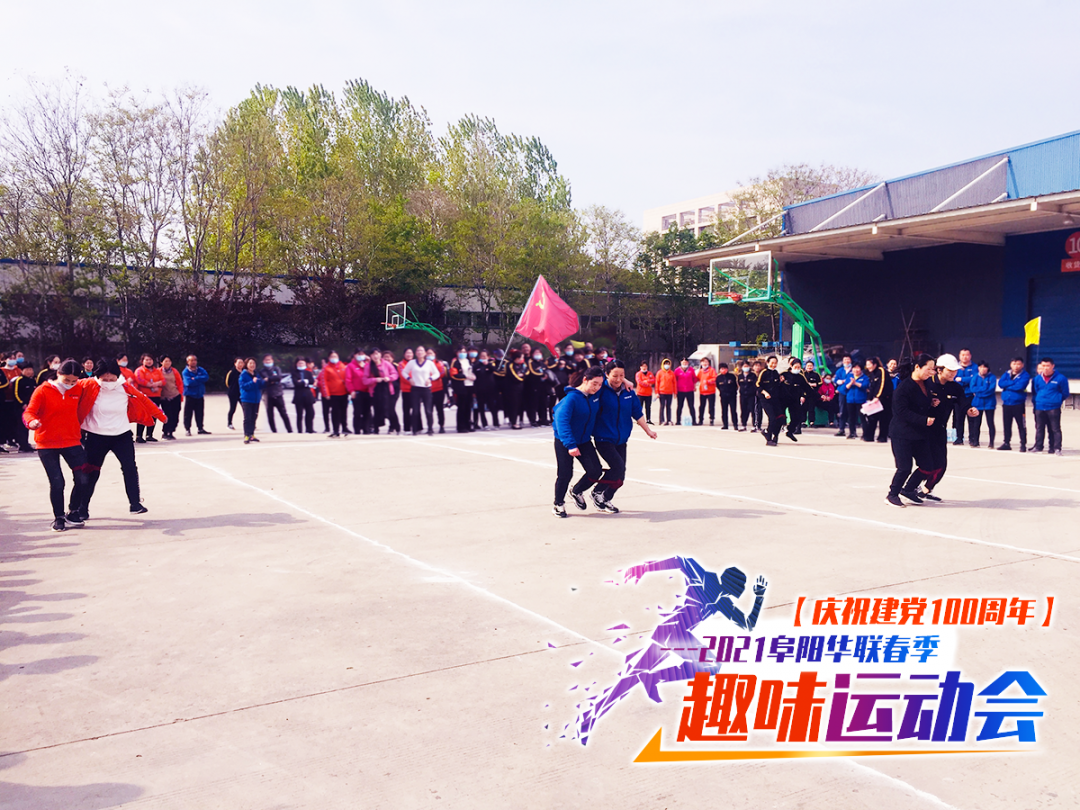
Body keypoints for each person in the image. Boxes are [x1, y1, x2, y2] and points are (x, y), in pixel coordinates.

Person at [576, 557, 766, 745]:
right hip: (675, 634)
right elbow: (681, 560)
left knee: (630, 680)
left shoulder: (721, 599)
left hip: (668, 633)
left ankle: (588, 719)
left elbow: (747, 624)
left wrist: (759, 597)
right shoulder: (706, 580)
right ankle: (654, 678)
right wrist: (645, 568)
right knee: (711, 665)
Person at [77, 358, 164, 518]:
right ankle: (82, 508)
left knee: (130, 468)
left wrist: (160, 416)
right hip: (96, 436)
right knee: (91, 472)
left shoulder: (124, 387)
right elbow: (67, 389)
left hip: (121, 435)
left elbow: (144, 399)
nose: (108, 383)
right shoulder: (87, 385)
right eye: (104, 379)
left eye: (112, 379)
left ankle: (135, 503)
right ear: (97, 376)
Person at [22, 360, 91, 531]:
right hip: (47, 443)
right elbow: (29, 412)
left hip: (71, 440)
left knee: (84, 477)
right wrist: (32, 422)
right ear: (58, 374)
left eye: (74, 381)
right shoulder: (43, 390)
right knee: (58, 482)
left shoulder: (78, 389)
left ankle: (73, 511)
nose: (70, 384)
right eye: (66, 380)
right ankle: (59, 517)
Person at [591, 360, 658, 513]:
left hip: (621, 439)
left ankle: (605, 498)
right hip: (604, 437)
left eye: (622, 375)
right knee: (618, 467)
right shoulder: (600, 389)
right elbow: (590, 375)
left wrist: (648, 430)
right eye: (615, 375)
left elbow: (637, 412)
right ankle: (597, 492)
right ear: (606, 374)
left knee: (620, 475)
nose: (619, 379)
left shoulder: (628, 391)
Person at [915, 354, 972, 502]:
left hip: (940, 429)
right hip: (924, 429)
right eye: (950, 370)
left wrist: (969, 409)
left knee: (941, 465)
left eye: (955, 370)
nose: (954, 373)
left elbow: (962, 401)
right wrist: (929, 403)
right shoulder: (927, 383)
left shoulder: (955, 387)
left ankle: (925, 490)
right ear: (939, 370)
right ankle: (911, 488)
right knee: (928, 464)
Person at [551, 366, 605, 518]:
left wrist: (626, 381)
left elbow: (611, 381)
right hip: (565, 441)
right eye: (594, 384)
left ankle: (576, 491)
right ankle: (558, 504)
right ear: (585, 380)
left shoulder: (594, 395)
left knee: (595, 471)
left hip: (584, 440)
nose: (597, 387)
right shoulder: (571, 399)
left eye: (600, 384)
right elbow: (561, 423)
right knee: (565, 474)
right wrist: (571, 445)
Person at [886, 354, 937, 508]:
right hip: (902, 433)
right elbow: (901, 411)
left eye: (933, 369)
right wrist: (923, 420)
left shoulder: (925, 383)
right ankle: (892, 495)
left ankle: (908, 490)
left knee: (927, 465)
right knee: (904, 468)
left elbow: (921, 402)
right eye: (929, 369)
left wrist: (932, 402)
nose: (932, 372)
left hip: (919, 433)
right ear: (917, 367)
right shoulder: (904, 387)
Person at [1030, 358, 1069, 455]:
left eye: (1047, 366)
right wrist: (1038, 401)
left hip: (1053, 407)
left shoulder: (1061, 378)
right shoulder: (1037, 379)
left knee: (1055, 428)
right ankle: (1038, 446)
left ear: (1052, 366)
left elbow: (1065, 393)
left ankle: (1056, 448)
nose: (1045, 368)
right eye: (1043, 366)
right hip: (1040, 406)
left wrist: (1057, 400)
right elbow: (1035, 391)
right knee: (1039, 428)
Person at [402, 345, 440, 435]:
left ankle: (430, 429)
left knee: (428, 411)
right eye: (418, 351)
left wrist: (430, 378)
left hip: (426, 389)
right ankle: (415, 430)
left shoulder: (429, 363)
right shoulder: (412, 363)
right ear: (416, 353)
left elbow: (437, 373)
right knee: (415, 410)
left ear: (425, 353)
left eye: (421, 351)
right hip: (415, 389)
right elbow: (404, 372)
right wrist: (409, 378)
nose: (420, 352)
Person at [363, 349, 399, 434]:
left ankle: (396, 427)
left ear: (380, 354)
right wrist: (375, 379)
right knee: (377, 410)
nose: (375, 356)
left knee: (390, 410)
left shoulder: (386, 364)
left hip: (387, 390)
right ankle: (376, 429)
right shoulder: (368, 366)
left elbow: (395, 374)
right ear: (370, 356)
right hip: (376, 391)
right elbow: (365, 380)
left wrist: (389, 378)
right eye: (373, 354)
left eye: (377, 354)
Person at [997, 357, 1030, 452]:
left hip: (1018, 404)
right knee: (1006, 424)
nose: (1016, 366)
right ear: (1011, 365)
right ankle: (1006, 443)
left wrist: (1007, 386)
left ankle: (1023, 444)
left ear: (1022, 365)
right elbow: (1000, 384)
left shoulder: (1025, 375)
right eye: (1014, 364)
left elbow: (1020, 386)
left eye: (1018, 364)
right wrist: (1012, 383)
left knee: (1021, 424)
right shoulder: (1006, 374)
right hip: (1007, 403)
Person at [133, 353, 164, 443]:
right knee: (143, 415)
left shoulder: (157, 371)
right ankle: (139, 435)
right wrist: (151, 385)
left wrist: (157, 384)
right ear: (142, 361)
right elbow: (139, 380)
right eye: (146, 360)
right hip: (144, 396)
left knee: (154, 415)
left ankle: (149, 435)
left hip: (156, 396)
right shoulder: (139, 370)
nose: (149, 361)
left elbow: (163, 380)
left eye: (150, 360)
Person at [756, 356, 785, 446]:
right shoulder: (764, 372)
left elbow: (777, 386)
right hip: (765, 399)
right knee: (772, 418)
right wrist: (765, 393)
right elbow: (758, 385)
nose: (773, 365)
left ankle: (774, 435)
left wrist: (781, 381)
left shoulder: (776, 373)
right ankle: (768, 439)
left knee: (781, 418)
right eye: (772, 363)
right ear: (767, 363)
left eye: (775, 363)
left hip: (775, 399)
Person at [862, 356, 892, 443]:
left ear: (875, 364)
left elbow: (881, 385)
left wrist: (877, 397)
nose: (868, 367)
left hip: (884, 399)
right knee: (871, 418)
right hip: (874, 400)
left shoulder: (881, 371)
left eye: (869, 364)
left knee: (884, 419)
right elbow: (872, 387)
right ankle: (869, 436)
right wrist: (869, 398)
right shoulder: (872, 374)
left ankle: (882, 437)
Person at [968, 362, 997, 448]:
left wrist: (979, 392)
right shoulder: (975, 377)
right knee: (976, 423)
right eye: (981, 367)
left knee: (990, 423)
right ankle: (975, 441)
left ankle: (991, 442)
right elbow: (972, 388)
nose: (983, 369)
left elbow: (991, 389)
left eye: (985, 367)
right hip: (977, 403)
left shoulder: (992, 377)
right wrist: (983, 389)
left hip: (989, 403)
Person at [780, 358, 810, 439]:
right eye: (795, 367)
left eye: (799, 367)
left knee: (798, 417)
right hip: (783, 399)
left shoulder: (801, 376)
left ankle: (790, 430)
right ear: (791, 366)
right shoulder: (784, 374)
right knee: (779, 417)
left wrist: (818, 396)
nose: (797, 369)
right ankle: (773, 435)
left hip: (794, 399)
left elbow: (806, 388)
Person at [321, 351, 349, 438]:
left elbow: (347, 378)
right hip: (333, 394)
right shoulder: (326, 368)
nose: (334, 358)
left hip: (344, 393)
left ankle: (345, 428)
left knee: (344, 412)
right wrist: (326, 393)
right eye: (332, 356)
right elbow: (324, 382)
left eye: (335, 356)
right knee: (335, 412)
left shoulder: (343, 366)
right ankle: (336, 430)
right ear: (329, 358)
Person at [181, 355, 211, 436]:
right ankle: (187, 429)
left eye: (195, 360)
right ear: (188, 362)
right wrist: (199, 380)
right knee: (188, 414)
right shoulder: (185, 372)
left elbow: (206, 377)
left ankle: (200, 428)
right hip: (190, 395)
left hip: (199, 395)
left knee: (200, 413)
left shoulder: (200, 369)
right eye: (191, 360)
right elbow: (188, 383)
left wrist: (195, 378)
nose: (193, 362)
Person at [449, 347, 476, 433]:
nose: (463, 353)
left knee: (469, 406)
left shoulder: (468, 361)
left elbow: (472, 371)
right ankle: (461, 426)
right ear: (457, 352)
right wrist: (465, 376)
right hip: (461, 386)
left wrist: (473, 376)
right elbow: (453, 375)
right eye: (461, 351)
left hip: (470, 385)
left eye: (464, 351)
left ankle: (468, 425)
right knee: (462, 407)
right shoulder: (455, 362)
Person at [953, 348, 977, 446]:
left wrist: (962, 379)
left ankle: (972, 438)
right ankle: (959, 438)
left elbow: (974, 379)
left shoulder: (975, 367)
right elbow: (953, 379)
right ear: (959, 356)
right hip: (958, 396)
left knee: (971, 418)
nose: (964, 357)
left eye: (967, 355)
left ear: (970, 356)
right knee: (959, 418)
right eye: (962, 355)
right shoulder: (955, 367)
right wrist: (964, 380)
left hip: (970, 396)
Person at [12, 362, 38, 452]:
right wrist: (22, 404)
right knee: (21, 427)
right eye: (27, 370)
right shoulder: (19, 380)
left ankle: (26, 444)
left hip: (30, 407)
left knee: (27, 426)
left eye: (30, 369)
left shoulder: (33, 381)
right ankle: (22, 445)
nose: (29, 371)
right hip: (21, 407)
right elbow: (16, 394)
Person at [239, 358, 265, 444]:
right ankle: (246, 435)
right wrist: (252, 382)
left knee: (254, 417)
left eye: (253, 363)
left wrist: (265, 382)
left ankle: (252, 435)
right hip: (247, 399)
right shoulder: (243, 375)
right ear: (246, 365)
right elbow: (243, 386)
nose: (252, 365)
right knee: (247, 418)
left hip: (256, 400)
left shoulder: (257, 374)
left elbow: (260, 386)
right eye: (250, 363)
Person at [842, 362, 870, 439]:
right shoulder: (849, 377)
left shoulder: (865, 377)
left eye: (858, 368)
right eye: (854, 368)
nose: (856, 370)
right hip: (850, 400)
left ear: (861, 369)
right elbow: (845, 387)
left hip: (861, 400)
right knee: (851, 418)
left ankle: (865, 434)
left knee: (862, 418)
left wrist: (855, 383)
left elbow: (865, 386)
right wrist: (851, 383)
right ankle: (852, 433)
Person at [345, 348, 370, 435]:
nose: (361, 356)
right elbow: (348, 380)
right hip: (357, 392)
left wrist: (369, 361)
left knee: (367, 412)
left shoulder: (367, 365)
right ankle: (357, 430)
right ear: (354, 355)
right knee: (357, 412)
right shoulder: (351, 366)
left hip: (368, 392)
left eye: (362, 354)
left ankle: (366, 430)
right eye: (359, 354)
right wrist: (351, 391)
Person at [159, 355, 184, 440]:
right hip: (164, 397)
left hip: (175, 395)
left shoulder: (174, 371)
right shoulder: (158, 371)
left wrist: (180, 394)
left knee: (175, 415)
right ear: (161, 362)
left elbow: (179, 383)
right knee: (168, 415)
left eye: (169, 361)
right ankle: (165, 432)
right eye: (166, 361)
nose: (168, 363)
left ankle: (171, 431)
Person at [472, 349, 499, 429]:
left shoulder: (491, 365)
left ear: (488, 357)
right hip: (480, 390)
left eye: (484, 356)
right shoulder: (476, 366)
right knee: (481, 408)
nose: (482, 357)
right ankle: (485, 424)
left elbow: (496, 371)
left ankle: (496, 423)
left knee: (492, 407)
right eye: (481, 356)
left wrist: (488, 365)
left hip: (490, 390)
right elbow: (474, 378)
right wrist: (474, 390)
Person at [292, 357, 318, 433]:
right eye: (299, 363)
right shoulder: (294, 373)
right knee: (299, 414)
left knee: (310, 413)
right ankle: (300, 430)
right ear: (296, 364)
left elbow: (311, 381)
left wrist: (302, 381)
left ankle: (309, 429)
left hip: (308, 394)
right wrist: (305, 382)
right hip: (299, 395)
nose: (301, 364)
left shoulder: (308, 372)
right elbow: (296, 383)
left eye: (302, 363)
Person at [502, 350, 527, 429]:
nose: (522, 359)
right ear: (517, 358)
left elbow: (526, 372)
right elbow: (514, 376)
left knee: (519, 405)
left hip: (520, 388)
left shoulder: (522, 364)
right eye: (521, 357)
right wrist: (522, 378)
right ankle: (513, 422)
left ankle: (518, 420)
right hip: (512, 388)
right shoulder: (510, 364)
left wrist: (523, 375)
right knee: (513, 405)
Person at [383, 350, 403, 435]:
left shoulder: (396, 366)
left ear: (393, 358)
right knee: (386, 409)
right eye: (385, 357)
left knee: (391, 408)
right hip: (384, 390)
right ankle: (393, 426)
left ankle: (395, 427)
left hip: (394, 391)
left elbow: (399, 378)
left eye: (389, 357)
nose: (387, 359)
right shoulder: (381, 366)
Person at [429, 349, 448, 433]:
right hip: (428, 390)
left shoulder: (439, 363)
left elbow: (441, 373)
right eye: (428, 353)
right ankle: (430, 427)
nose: (429, 355)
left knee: (439, 409)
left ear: (435, 354)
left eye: (431, 353)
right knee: (429, 410)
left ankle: (441, 426)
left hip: (439, 389)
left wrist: (431, 376)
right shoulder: (424, 364)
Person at [833, 354, 853, 435]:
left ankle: (852, 431)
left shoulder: (854, 370)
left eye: (848, 359)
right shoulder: (840, 371)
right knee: (842, 411)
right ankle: (841, 429)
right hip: (842, 393)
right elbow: (835, 380)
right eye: (845, 360)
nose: (847, 361)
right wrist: (841, 381)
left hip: (852, 393)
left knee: (852, 412)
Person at [674, 358, 697, 425]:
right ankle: (678, 421)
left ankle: (694, 421)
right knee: (680, 406)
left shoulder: (691, 370)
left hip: (690, 390)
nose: (684, 364)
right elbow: (674, 381)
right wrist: (675, 391)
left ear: (688, 363)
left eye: (686, 362)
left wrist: (694, 386)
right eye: (683, 362)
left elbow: (694, 379)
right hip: (680, 390)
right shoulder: (677, 370)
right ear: (681, 363)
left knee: (691, 406)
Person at [397, 348, 415, 435]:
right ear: (404, 354)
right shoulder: (401, 364)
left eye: (410, 353)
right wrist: (413, 381)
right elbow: (403, 375)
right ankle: (407, 428)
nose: (409, 354)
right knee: (407, 410)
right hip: (406, 389)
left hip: (417, 389)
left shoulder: (416, 363)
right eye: (407, 353)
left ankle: (418, 427)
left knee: (416, 409)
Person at [695, 357, 717, 426]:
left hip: (711, 391)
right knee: (701, 406)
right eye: (703, 362)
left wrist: (708, 381)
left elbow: (715, 378)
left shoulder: (712, 370)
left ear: (708, 363)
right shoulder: (700, 371)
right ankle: (700, 420)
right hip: (702, 391)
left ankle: (711, 419)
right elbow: (697, 379)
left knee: (711, 406)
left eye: (706, 362)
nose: (704, 363)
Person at [736, 361, 757, 432]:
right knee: (743, 410)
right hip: (742, 395)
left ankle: (754, 425)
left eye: (747, 366)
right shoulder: (740, 376)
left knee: (753, 410)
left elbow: (755, 385)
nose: (746, 368)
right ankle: (743, 425)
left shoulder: (753, 375)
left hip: (751, 395)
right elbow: (739, 384)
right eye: (744, 366)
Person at [225, 358, 244, 430]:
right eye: (239, 363)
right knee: (232, 408)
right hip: (233, 393)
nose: (240, 364)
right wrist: (233, 388)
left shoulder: (244, 372)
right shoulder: (232, 372)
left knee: (245, 408)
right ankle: (229, 423)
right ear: (235, 364)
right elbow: (227, 382)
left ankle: (248, 423)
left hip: (242, 393)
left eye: (242, 362)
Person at [655, 359, 676, 426]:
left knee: (668, 406)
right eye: (665, 364)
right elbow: (657, 383)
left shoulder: (672, 373)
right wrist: (657, 392)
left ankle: (669, 420)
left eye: (668, 364)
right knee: (662, 406)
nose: (667, 365)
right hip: (662, 392)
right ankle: (661, 420)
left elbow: (674, 383)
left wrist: (675, 392)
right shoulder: (659, 373)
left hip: (669, 392)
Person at [803, 360, 822, 428]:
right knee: (804, 408)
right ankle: (803, 422)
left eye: (811, 366)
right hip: (804, 394)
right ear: (805, 366)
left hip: (812, 394)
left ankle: (812, 422)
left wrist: (814, 384)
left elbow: (820, 383)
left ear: (813, 367)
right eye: (808, 366)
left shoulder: (816, 374)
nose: (809, 367)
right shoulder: (803, 374)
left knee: (811, 408)